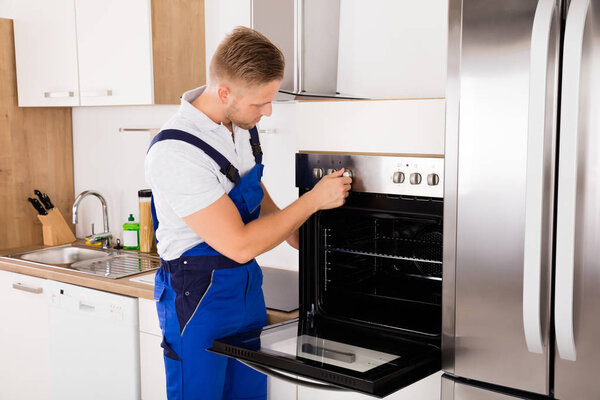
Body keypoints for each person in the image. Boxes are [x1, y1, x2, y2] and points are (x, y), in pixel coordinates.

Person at [145, 26, 351, 400]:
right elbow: (239, 244)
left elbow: (260, 203)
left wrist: (315, 241)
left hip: (245, 291)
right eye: (260, 103)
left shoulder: (240, 127)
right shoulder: (176, 151)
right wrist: (312, 201)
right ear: (224, 93)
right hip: (196, 298)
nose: (267, 111)